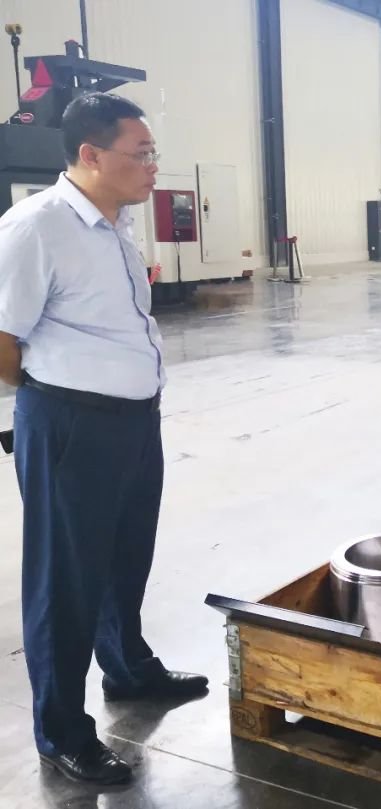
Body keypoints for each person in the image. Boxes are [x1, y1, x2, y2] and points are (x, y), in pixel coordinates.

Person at [0, 93, 208, 786]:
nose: (153, 166)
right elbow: (2, 339)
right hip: (71, 424)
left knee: (124, 555)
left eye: (153, 153)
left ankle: (127, 668)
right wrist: (51, 393)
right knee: (66, 580)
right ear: (90, 155)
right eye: (140, 153)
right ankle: (62, 731)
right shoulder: (36, 227)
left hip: (132, 420)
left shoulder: (116, 225)